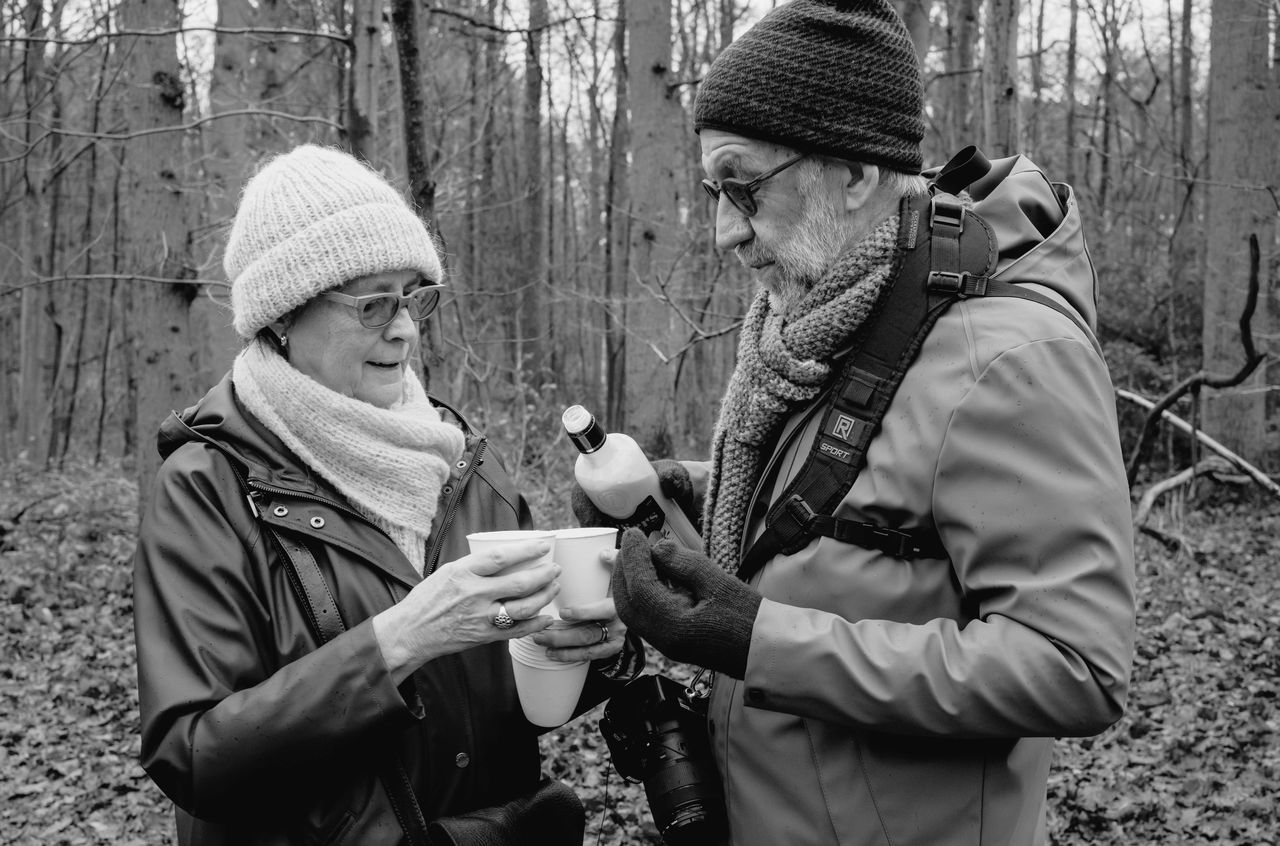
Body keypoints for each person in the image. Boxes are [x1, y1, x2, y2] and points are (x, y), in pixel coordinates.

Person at [592, 2, 1137, 844]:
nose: (724, 232)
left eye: (743, 188)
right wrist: (673, 500)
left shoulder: (1008, 356)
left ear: (854, 173)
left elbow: (1074, 667)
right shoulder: (828, 325)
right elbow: (848, 521)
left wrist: (763, 641)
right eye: (711, 192)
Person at [133, 144, 638, 846]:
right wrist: (401, 639)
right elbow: (196, 756)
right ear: (282, 317)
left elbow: (513, 713)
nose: (403, 328)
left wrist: (585, 653)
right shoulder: (208, 487)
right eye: (373, 303)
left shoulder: (464, 467)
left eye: (414, 297)